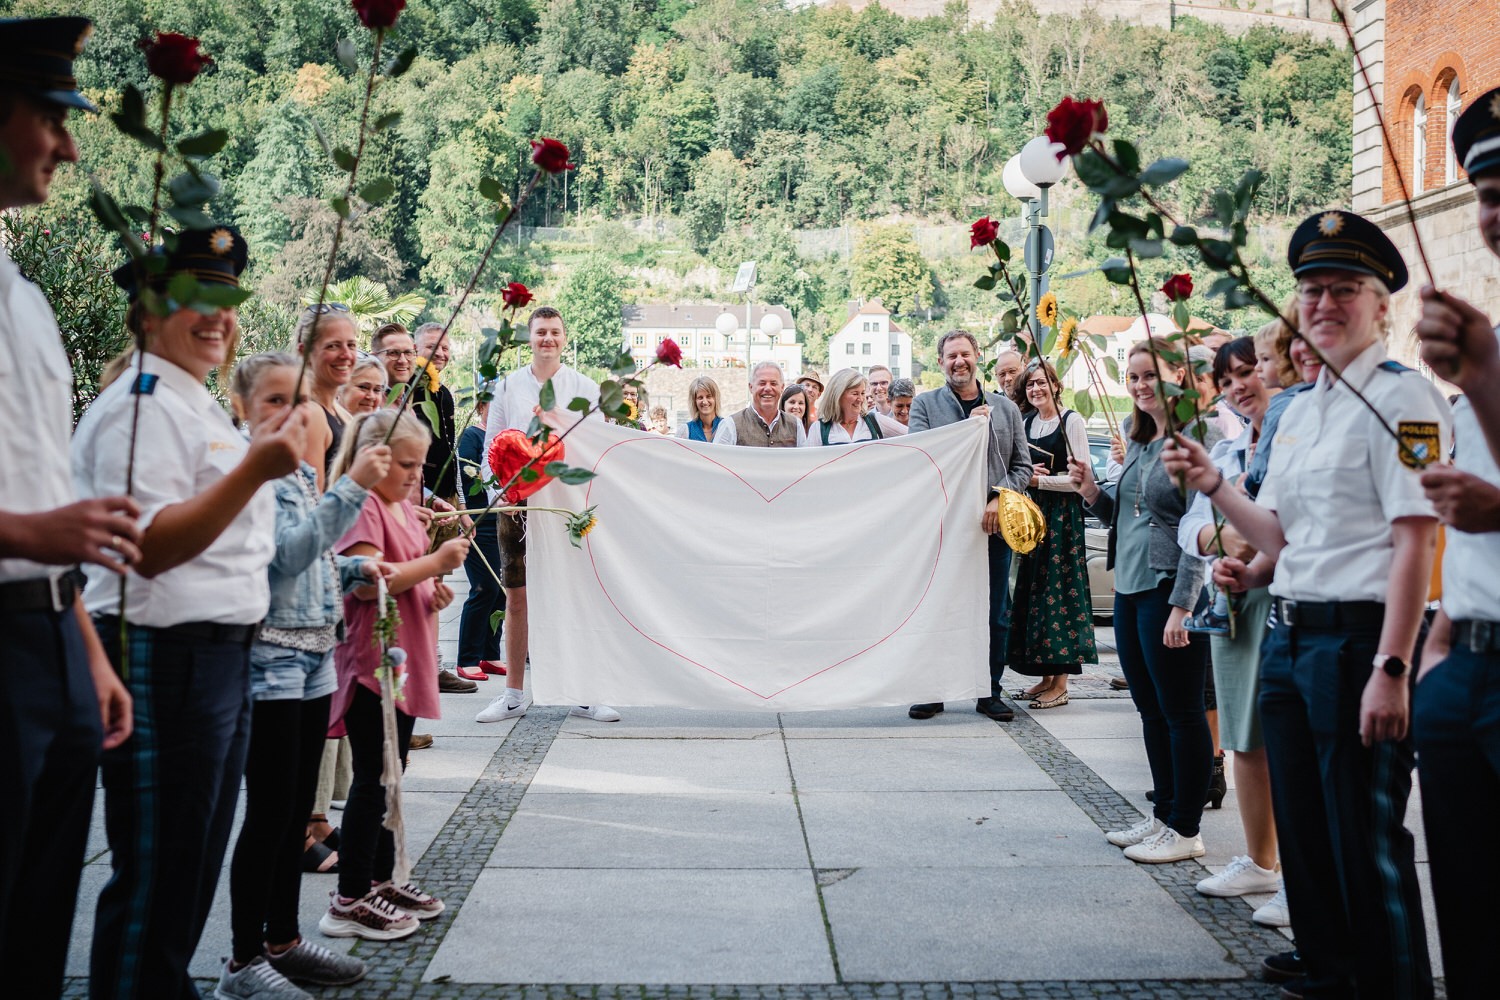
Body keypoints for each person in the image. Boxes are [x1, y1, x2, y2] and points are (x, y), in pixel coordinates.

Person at [1162, 209, 1446, 999]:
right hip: (1290, 636)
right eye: (1312, 290)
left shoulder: (1406, 402)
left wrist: (1393, 666)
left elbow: (1416, 544)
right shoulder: (1304, 408)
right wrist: (1225, 511)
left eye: (1343, 289)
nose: (1324, 304)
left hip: (1360, 641)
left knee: (1364, 832)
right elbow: (1281, 534)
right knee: (1307, 818)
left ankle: (1390, 981)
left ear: (1381, 303)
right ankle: (1328, 961)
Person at [75, 225, 312, 999]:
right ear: (148, 313)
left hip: (215, 657)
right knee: (159, 875)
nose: (217, 315)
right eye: (194, 299)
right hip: (162, 654)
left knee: (190, 868)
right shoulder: (139, 407)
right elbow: (146, 548)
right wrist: (254, 469)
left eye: (225, 299)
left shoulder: (192, 402)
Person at [0, 20, 137, 998]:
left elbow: (46, 488)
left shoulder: (26, 299)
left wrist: (82, 645)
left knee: (39, 927)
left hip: (47, 641)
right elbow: (37, 517)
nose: (70, 143)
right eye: (51, 116)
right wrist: (27, 537)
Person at [222, 353, 387, 998]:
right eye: (272, 403)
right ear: (241, 408)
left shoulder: (297, 472)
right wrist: (352, 489)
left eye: (297, 403)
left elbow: (313, 560)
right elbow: (284, 556)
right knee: (267, 814)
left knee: (295, 812)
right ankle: (241, 962)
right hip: (271, 658)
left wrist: (355, 572)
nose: (291, 415)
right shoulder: (252, 474)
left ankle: (282, 941)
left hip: (315, 652)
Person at [1409, 86, 1500, 1000]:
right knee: (1468, 917)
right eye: (1487, 192)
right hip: (1465, 659)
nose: (1492, 214)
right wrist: (1439, 645)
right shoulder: (1494, 344)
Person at [1068, 337, 1221, 864]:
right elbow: (1128, 517)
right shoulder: (1138, 438)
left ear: (1176, 377)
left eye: (1149, 376)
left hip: (1167, 590)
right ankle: (1163, 815)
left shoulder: (1194, 438)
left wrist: (1184, 605)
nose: (1139, 386)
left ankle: (1186, 827)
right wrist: (1092, 492)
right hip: (1130, 588)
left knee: (1182, 712)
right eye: (1132, 378)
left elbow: (1202, 529)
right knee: (1149, 709)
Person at [321, 409, 468, 941]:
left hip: (403, 661)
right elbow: (366, 585)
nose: (414, 474)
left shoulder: (401, 507)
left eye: (419, 464)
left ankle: (380, 879)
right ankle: (350, 895)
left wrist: (433, 589)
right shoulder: (362, 506)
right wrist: (434, 566)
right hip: (373, 663)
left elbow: (405, 577)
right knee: (372, 779)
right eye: (404, 464)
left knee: (391, 773)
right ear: (373, 458)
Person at [1175, 338, 1285, 920]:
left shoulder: (1294, 434)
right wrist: (1216, 546)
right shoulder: (1227, 447)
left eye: (1249, 372)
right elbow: (1194, 522)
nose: (1241, 385)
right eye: (1229, 379)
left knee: (1292, 736)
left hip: (1284, 595)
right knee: (1243, 736)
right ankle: (1260, 862)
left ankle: (1301, 870)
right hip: (1234, 601)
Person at [476, 306, 620, 724]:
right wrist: (496, 492)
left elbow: (597, 445)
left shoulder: (584, 387)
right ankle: (513, 693)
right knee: (517, 597)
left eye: (555, 332)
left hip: (564, 505)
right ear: (529, 336)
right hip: (517, 505)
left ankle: (584, 691)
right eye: (540, 332)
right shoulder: (507, 386)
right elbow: (491, 444)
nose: (547, 340)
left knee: (575, 594)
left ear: (564, 336)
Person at [907, 330, 1032, 723]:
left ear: (978, 356)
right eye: (950, 356)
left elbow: (1023, 467)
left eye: (965, 354)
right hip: (943, 528)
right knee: (939, 607)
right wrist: (965, 430)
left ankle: (988, 690)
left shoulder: (1006, 409)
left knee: (995, 611)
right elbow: (919, 458)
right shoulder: (925, 405)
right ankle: (934, 691)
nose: (958, 362)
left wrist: (999, 495)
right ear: (940, 361)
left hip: (992, 529)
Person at [1007, 358, 1094, 710]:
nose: (1036, 389)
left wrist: (1038, 479)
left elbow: (1080, 480)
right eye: (1030, 385)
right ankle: (1044, 678)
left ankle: (1061, 683)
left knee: (1061, 593)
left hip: (1062, 519)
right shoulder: (1027, 421)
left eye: (1042, 382)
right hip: (1033, 517)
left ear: (1056, 385)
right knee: (1037, 594)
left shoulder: (1071, 421)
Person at [457, 394, 506, 682]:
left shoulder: (509, 437)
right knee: (483, 586)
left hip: (503, 519)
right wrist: (465, 515)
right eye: (493, 404)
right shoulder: (472, 436)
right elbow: (461, 477)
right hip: (478, 520)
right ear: (481, 407)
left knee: (501, 589)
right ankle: (467, 657)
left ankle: (490, 654)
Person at [293, 303, 359, 485]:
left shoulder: (342, 413)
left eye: (351, 345)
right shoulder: (312, 414)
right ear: (303, 351)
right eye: (333, 346)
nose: (346, 355)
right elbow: (316, 502)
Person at [804, 369, 905, 446]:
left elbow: (913, 437)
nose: (861, 399)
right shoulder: (819, 429)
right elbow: (810, 466)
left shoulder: (875, 421)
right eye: (855, 393)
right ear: (838, 395)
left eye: (862, 393)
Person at [727, 361, 807, 447]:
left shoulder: (796, 426)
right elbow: (717, 459)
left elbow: (804, 459)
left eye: (773, 383)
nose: (768, 388)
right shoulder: (730, 425)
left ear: (782, 388)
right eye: (762, 383)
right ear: (751, 387)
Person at [676, 375, 733, 443]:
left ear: (715, 399)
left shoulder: (726, 427)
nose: (705, 402)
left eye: (709, 397)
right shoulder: (686, 431)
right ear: (694, 401)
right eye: (700, 397)